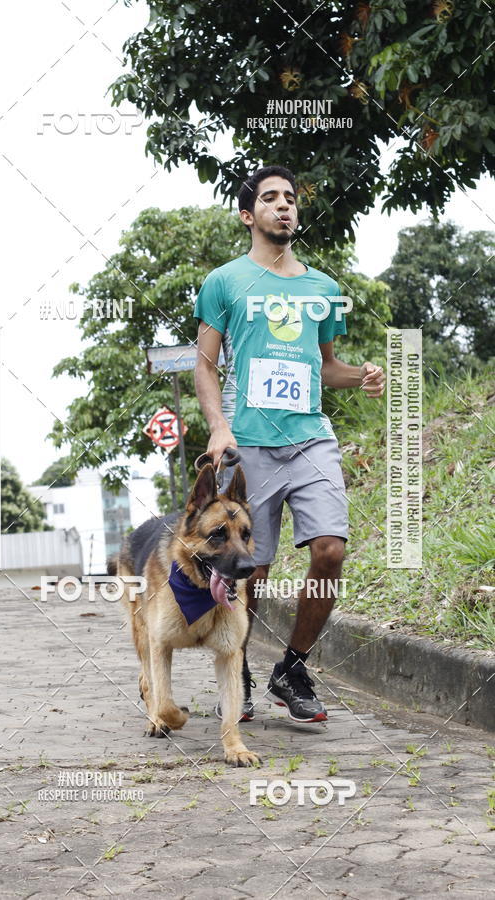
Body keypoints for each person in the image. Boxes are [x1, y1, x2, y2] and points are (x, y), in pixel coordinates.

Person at [193, 165, 385, 724]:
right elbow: (204, 368)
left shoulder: (323, 289)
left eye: (291, 199)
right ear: (248, 215)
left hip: (309, 438)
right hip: (247, 444)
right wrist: (218, 426)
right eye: (270, 199)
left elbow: (325, 369)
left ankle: (293, 666)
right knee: (249, 569)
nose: (284, 206)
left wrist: (363, 376)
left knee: (331, 550)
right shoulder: (224, 282)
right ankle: (242, 669)